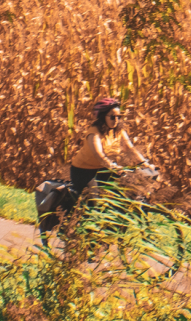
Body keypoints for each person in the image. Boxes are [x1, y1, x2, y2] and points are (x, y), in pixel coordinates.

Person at [44, 97, 149, 239]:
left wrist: (144, 163)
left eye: (119, 116)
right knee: (94, 201)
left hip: (104, 170)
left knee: (126, 192)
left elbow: (130, 148)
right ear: (102, 117)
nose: (116, 120)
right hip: (84, 171)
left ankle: (111, 227)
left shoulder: (119, 131)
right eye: (112, 117)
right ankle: (87, 237)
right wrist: (113, 166)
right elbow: (99, 155)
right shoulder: (94, 133)